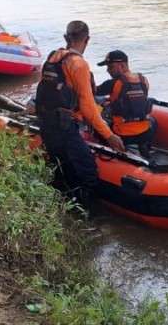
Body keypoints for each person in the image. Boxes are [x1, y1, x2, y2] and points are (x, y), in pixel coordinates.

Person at [35, 21, 125, 208]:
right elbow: (87, 106)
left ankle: (63, 209)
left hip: (46, 124)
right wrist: (109, 135)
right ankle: (88, 217)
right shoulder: (78, 64)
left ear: (66, 38)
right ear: (87, 39)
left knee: (62, 169)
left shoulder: (54, 57)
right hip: (64, 128)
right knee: (88, 172)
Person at [95, 50, 156, 159]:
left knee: (98, 124)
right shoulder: (143, 80)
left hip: (122, 135)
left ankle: (104, 151)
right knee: (152, 120)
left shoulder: (112, 84)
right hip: (145, 132)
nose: (108, 70)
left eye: (110, 67)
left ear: (122, 65)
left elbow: (90, 92)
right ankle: (144, 146)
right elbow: (135, 101)